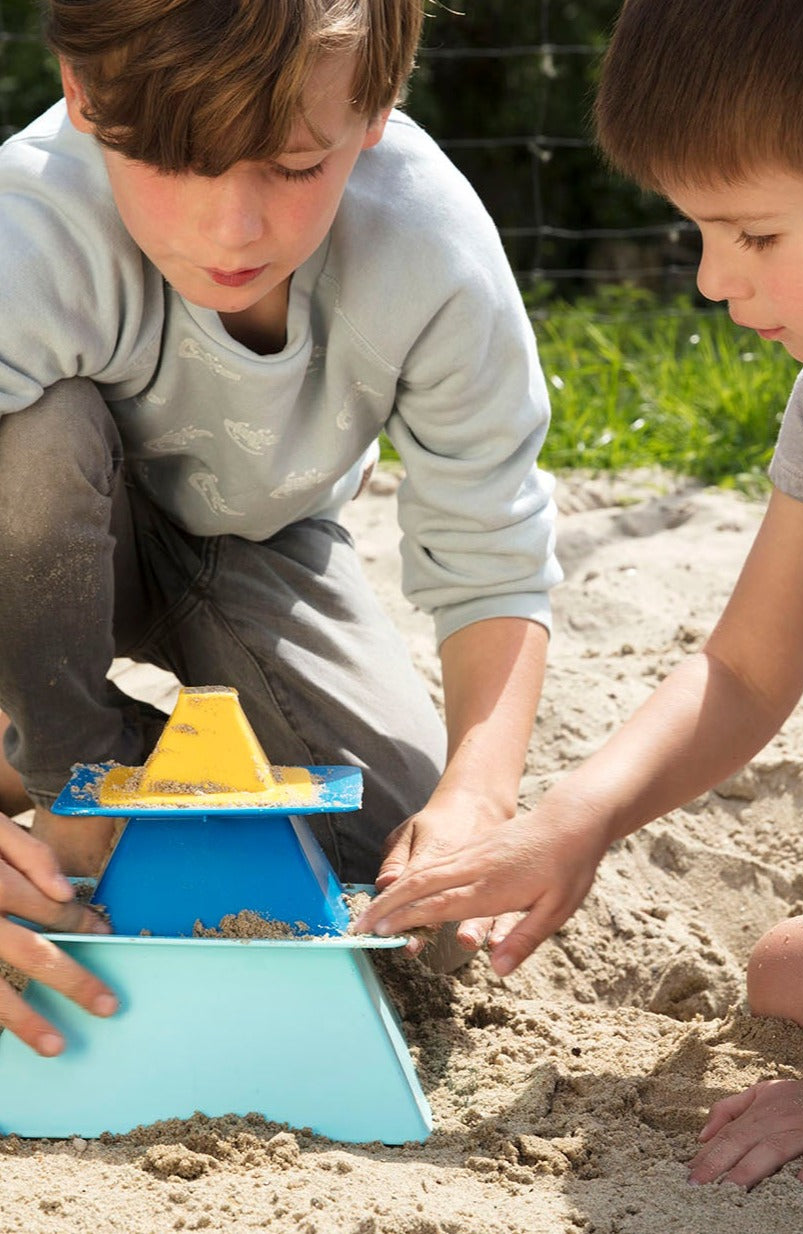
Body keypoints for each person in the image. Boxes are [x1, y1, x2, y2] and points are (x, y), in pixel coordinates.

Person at [356, 0, 803, 1189]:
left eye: (750, 232)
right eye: (697, 228)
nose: (706, 278)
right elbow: (744, 667)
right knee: (793, 969)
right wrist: (575, 821)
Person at [0, 0, 560, 1059]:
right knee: (31, 439)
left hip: (260, 543)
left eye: (296, 166)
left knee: (389, 845)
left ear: (376, 107)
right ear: (85, 96)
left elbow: (491, 546)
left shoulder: (427, 246)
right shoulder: (24, 230)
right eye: (175, 160)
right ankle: (69, 775)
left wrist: (480, 795)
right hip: (35, 549)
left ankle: (61, 763)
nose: (235, 227)